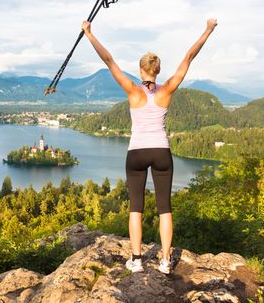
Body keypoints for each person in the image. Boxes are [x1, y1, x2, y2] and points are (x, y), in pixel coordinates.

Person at [82, 18, 218, 274]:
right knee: (165, 208)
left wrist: (89, 34)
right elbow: (189, 57)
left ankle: (136, 259)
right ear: (157, 70)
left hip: (136, 152)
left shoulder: (133, 91)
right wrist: (208, 30)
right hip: (161, 152)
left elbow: (108, 60)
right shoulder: (166, 91)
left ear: (141, 69)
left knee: (136, 207)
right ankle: (165, 261)